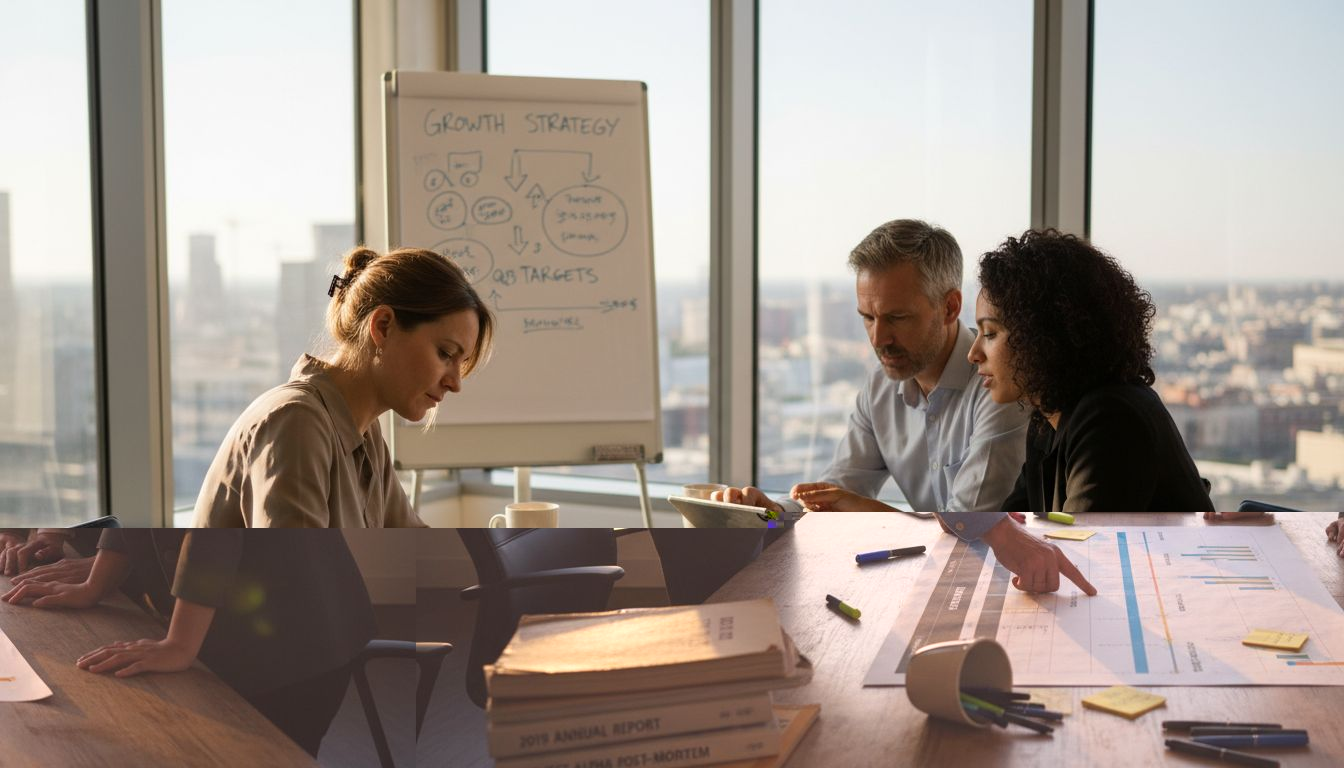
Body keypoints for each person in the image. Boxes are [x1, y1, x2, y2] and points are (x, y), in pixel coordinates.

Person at [716, 219, 1030, 520]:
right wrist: (771, 514)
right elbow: (836, 491)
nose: (878, 339)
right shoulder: (880, 388)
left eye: (897, 318)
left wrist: (857, 507)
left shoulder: (998, 386)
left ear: (949, 307)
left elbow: (968, 527)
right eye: (868, 317)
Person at [2, 529, 376, 757]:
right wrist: (95, 583)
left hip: (299, 633)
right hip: (249, 618)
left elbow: (214, 523)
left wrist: (179, 643)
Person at [193, 246, 493, 527]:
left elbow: (422, 554)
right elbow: (299, 579)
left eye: (460, 363)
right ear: (383, 326)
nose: (455, 384)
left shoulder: (365, 433)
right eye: (445, 354)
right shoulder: (296, 422)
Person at [967, 228, 1213, 513]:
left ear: (1041, 335)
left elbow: (1078, 548)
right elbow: (1016, 527)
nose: (973, 354)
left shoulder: (1110, 419)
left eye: (989, 333)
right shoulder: (1049, 418)